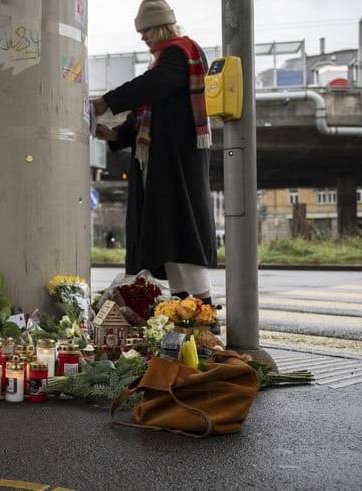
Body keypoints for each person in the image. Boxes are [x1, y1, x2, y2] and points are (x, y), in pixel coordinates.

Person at [92, 0, 218, 325]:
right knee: (168, 238)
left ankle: (204, 315)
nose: (143, 38)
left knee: (182, 233)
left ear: (161, 26)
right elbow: (145, 115)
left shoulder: (181, 53)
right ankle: (182, 316)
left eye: (146, 30)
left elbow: (150, 87)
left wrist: (106, 102)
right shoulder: (164, 62)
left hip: (177, 164)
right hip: (162, 166)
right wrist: (115, 134)